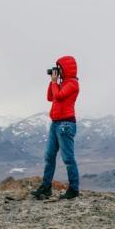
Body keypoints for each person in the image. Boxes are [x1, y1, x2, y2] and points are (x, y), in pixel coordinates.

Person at [33, 55, 80, 200]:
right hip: (55, 123)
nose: (57, 71)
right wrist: (52, 82)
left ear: (66, 69)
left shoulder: (73, 84)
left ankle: (74, 189)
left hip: (66, 124)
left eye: (59, 68)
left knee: (68, 158)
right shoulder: (61, 83)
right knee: (49, 155)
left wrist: (55, 82)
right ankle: (46, 187)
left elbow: (59, 96)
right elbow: (50, 97)